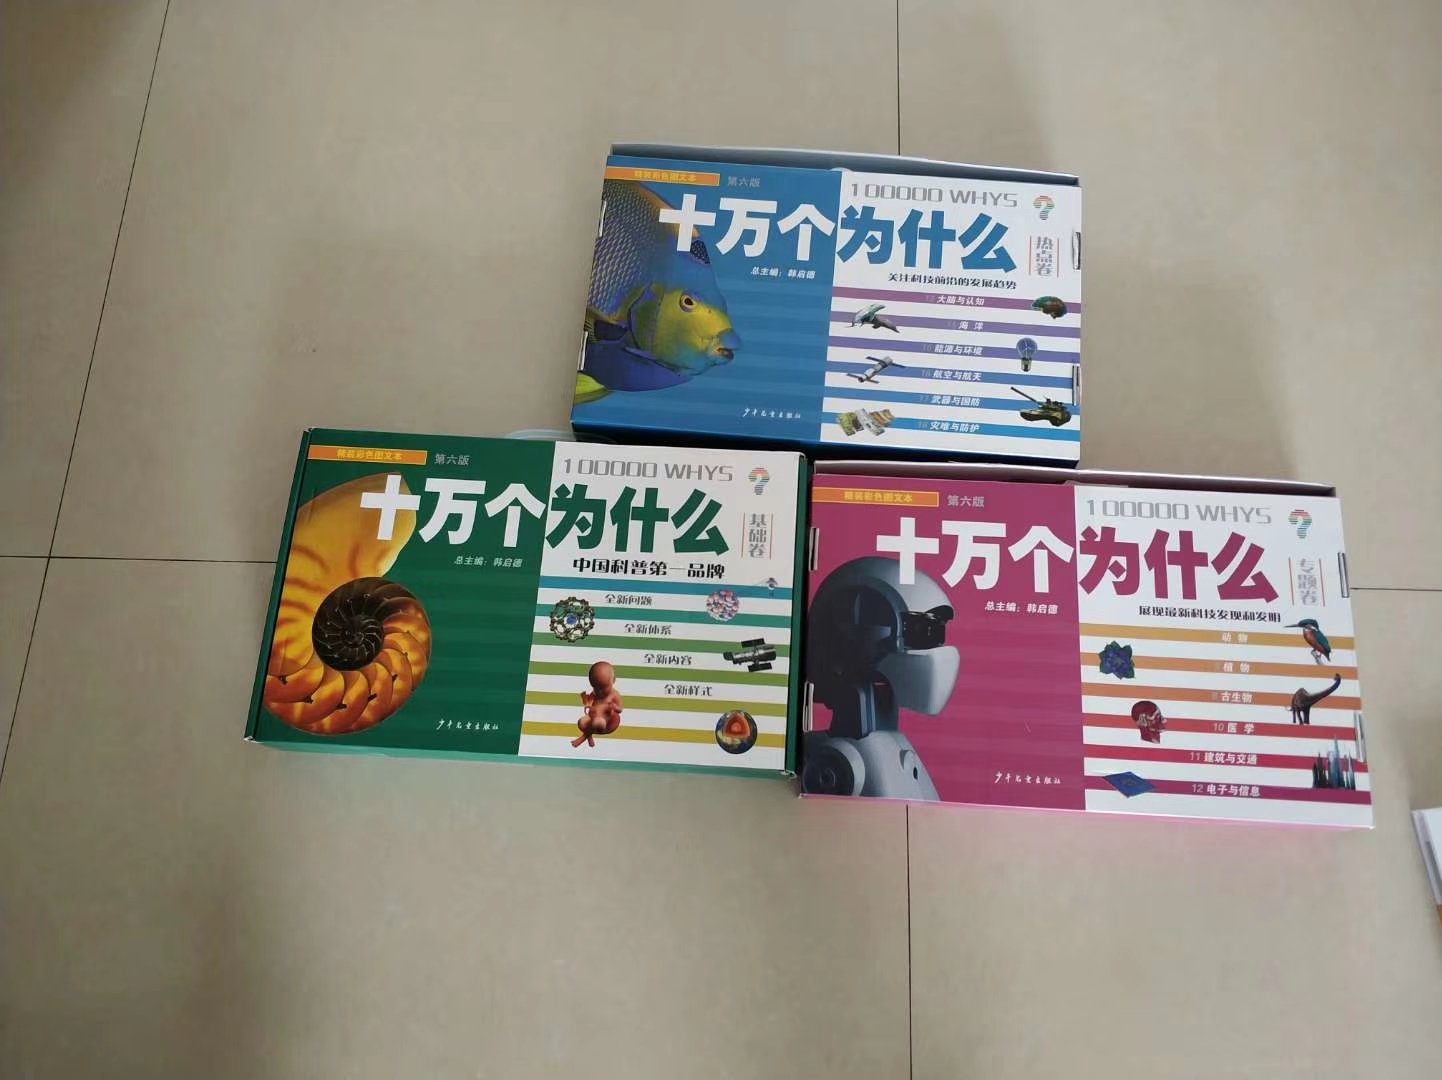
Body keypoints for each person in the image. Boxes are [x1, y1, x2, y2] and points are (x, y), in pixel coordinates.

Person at [572, 661, 623, 748]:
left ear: (613, 680)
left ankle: (583, 737)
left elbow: (620, 709)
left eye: (604, 688)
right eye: (596, 688)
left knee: (597, 722)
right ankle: (589, 736)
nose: (600, 691)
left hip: (608, 721)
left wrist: (615, 707)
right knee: (582, 722)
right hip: (594, 716)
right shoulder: (595, 692)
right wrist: (586, 701)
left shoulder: (614, 694)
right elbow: (590, 702)